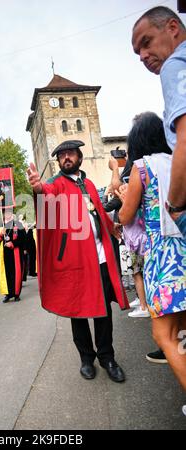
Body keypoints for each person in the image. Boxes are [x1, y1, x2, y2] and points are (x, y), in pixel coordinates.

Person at [27, 140, 129, 383]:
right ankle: (86, 358)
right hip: (74, 262)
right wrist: (37, 188)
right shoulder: (56, 184)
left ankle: (107, 358)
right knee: (78, 311)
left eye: (70, 154)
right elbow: (46, 196)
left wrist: (110, 225)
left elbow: (99, 211)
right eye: (62, 156)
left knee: (103, 311)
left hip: (100, 258)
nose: (66, 158)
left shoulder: (90, 184)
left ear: (79, 157)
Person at [117, 112, 186, 393]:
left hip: (164, 259)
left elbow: (125, 215)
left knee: (163, 335)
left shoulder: (142, 168)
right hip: (184, 250)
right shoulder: (177, 161)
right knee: (182, 333)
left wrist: (123, 198)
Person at [132, 6, 186, 237]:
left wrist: (174, 206)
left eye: (147, 42)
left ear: (173, 27)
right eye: (138, 52)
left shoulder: (174, 65)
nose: (143, 55)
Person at [0, 208, 26, 303]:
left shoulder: (18, 224)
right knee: (6, 273)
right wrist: (0, 235)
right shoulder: (0, 225)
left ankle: (16, 294)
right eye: (5, 213)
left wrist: (13, 244)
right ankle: (8, 294)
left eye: (9, 212)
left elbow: (23, 239)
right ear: (3, 214)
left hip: (15, 252)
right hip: (4, 254)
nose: (7, 214)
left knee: (16, 273)